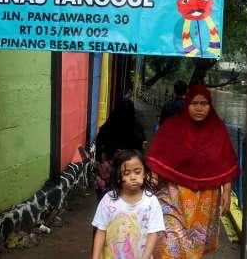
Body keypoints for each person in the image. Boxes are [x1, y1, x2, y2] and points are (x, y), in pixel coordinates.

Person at [146, 85, 239, 258]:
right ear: (187, 104)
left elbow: (225, 164)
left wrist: (226, 191)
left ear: (210, 106)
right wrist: (148, 187)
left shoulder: (217, 131)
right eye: (194, 103)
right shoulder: (171, 128)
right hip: (173, 196)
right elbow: (157, 158)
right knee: (168, 242)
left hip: (205, 200)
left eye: (204, 103)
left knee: (193, 247)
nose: (199, 107)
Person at [92, 150, 165, 259]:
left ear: (144, 174)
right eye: (127, 173)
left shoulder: (151, 202)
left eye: (137, 172)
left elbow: (153, 234)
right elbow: (101, 231)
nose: (133, 177)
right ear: (118, 176)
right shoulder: (109, 200)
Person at [95, 98, 146, 200]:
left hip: (108, 170)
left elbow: (99, 144)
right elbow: (141, 150)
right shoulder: (137, 128)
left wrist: (100, 160)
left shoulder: (108, 126)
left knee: (106, 198)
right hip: (128, 170)